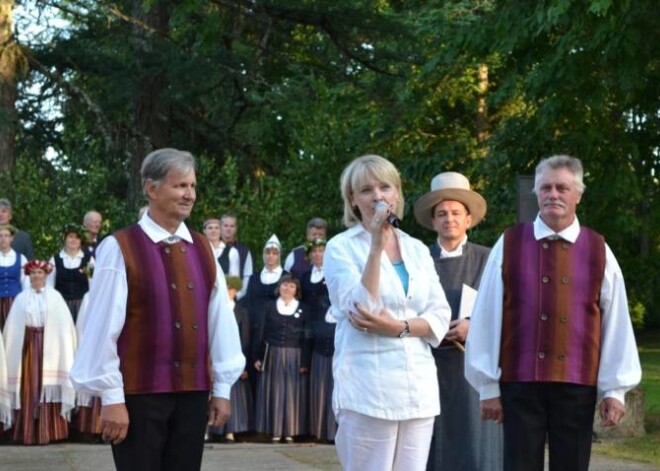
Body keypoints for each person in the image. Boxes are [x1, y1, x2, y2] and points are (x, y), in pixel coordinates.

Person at [70, 148, 245, 471]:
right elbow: (103, 327)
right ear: (152, 189)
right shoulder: (120, 246)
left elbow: (220, 321)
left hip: (193, 392)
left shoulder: (204, 248)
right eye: (180, 186)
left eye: (192, 186)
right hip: (139, 394)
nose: (189, 194)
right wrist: (111, 398)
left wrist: (221, 388)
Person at [465, 155, 642, 471]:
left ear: (578, 194)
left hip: (577, 384)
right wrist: (488, 385)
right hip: (519, 383)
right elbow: (487, 317)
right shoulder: (509, 243)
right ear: (536, 192)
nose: (553, 194)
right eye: (545, 187)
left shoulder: (598, 249)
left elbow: (616, 321)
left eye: (562, 187)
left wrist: (615, 389)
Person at [323, 154, 452, 471]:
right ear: (353, 200)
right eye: (366, 190)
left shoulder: (418, 249)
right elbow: (362, 311)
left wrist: (398, 327)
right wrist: (376, 247)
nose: (378, 196)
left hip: (418, 388)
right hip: (368, 387)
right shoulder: (341, 248)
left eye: (385, 187)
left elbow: (439, 315)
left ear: (397, 194)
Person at [413, 172, 502, 471]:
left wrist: (473, 328)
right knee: (428, 447)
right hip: (425, 365)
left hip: (473, 370)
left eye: (455, 213)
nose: (449, 218)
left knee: (472, 447)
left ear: (468, 219)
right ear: (433, 220)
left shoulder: (489, 259)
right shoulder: (417, 259)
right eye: (442, 214)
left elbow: (507, 311)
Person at [3, 260, 76, 445]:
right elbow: (12, 329)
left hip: (49, 345)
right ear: (29, 276)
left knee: (46, 384)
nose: (36, 276)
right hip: (27, 347)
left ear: (45, 275)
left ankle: (50, 431)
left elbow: (64, 327)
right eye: (33, 273)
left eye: (40, 273)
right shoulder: (21, 298)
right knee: (29, 386)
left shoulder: (55, 297)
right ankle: (27, 431)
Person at [253, 274, 311, 443]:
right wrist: (257, 357)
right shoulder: (268, 306)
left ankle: (290, 431)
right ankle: (275, 431)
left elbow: (307, 337)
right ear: (279, 287)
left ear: (296, 290)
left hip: (295, 356)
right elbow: (260, 333)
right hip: (272, 354)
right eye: (285, 285)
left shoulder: (304, 309)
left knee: (292, 394)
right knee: (275, 392)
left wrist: (305, 362)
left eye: (292, 286)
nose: (287, 289)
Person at [300, 237, 336, 442]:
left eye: (320, 251)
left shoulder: (333, 272)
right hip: (311, 326)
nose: (317, 254)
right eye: (313, 252)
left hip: (330, 319)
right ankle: (316, 428)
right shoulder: (305, 277)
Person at [208, 275, 252, 442]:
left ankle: (231, 431)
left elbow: (246, 339)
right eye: (227, 289)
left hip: (234, 360)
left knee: (232, 398)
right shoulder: (214, 308)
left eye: (232, 289)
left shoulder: (241, 311)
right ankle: (212, 430)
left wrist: (243, 366)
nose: (229, 292)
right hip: (214, 360)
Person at [243, 234, 287, 369]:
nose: (270, 256)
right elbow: (248, 300)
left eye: (274, 253)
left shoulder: (286, 277)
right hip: (253, 329)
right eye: (267, 252)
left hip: (275, 331)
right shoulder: (254, 277)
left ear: (279, 256)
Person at [47, 225, 94, 321]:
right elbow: (49, 285)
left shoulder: (89, 260)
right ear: (65, 239)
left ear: (81, 241)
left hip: (82, 306)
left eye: (77, 238)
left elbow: (93, 284)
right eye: (71, 237)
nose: (74, 240)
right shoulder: (55, 260)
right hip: (60, 305)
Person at [217, 213, 253, 300]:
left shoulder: (244, 251)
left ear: (236, 228)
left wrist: (237, 295)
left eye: (232, 226)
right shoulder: (212, 248)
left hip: (236, 298)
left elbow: (247, 275)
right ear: (220, 227)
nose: (228, 229)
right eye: (225, 225)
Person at [0, 224, 28, 331]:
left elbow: (25, 282)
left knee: (14, 332)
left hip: (15, 301)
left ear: (12, 238)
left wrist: (26, 302)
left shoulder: (21, 258)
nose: (3, 239)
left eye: (6, 236)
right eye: (0, 236)